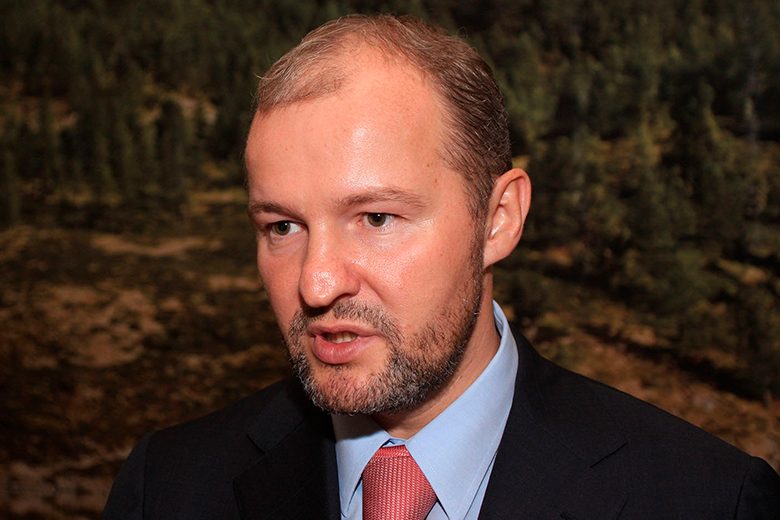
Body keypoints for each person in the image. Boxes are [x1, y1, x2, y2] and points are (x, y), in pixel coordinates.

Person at [103, 14, 780, 519]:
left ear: (498, 219)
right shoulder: (168, 488)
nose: (316, 282)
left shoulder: (706, 499)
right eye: (282, 227)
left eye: (375, 218)